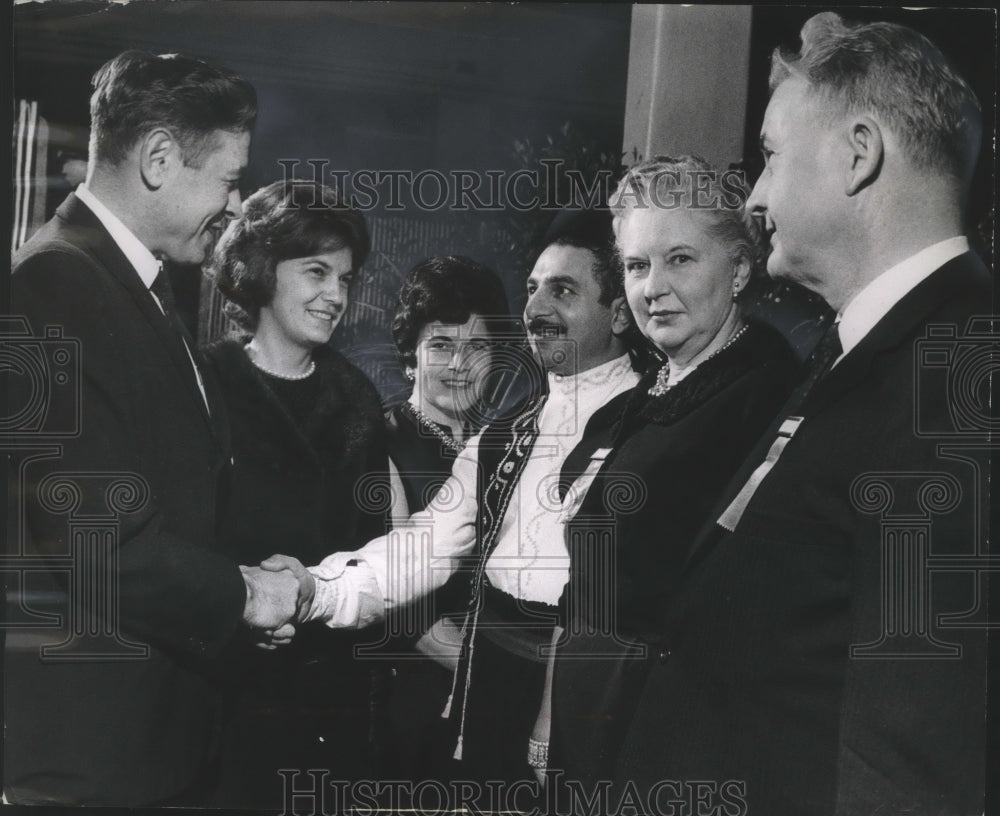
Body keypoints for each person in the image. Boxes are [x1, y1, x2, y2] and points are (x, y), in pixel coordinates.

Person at [613, 14, 989, 815]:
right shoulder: (868, 347)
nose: (754, 197)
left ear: (859, 154)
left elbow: (914, 747)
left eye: (772, 156)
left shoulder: (960, 374)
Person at [5, 50, 298, 807]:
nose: (236, 204)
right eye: (229, 180)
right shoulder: (54, 283)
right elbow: (94, 537)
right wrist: (242, 595)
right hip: (91, 763)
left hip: (147, 748)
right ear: (160, 159)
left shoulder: (129, 281)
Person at [262, 217, 642, 800]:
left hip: (596, 696)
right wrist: (313, 589)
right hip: (488, 691)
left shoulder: (650, 424)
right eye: (533, 288)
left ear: (618, 313)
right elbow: (420, 549)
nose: (536, 308)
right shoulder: (502, 437)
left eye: (562, 290)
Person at [545, 155, 799, 791]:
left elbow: (743, 612)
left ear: (738, 270)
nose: (652, 287)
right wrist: (551, 716)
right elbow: (587, 582)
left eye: (679, 259)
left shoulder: (765, 395)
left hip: (671, 734)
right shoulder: (654, 386)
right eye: (637, 266)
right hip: (592, 710)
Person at [202, 178, 390, 809]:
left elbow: (373, 555)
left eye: (346, 278)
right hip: (219, 693)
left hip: (326, 697)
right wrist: (237, 609)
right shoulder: (207, 383)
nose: (337, 295)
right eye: (317, 272)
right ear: (261, 270)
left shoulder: (358, 399)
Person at [381, 255, 515, 782]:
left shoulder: (502, 446)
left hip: (488, 690)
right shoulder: (381, 444)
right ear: (410, 356)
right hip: (416, 699)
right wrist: (498, 676)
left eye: (477, 346)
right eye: (440, 344)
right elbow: (400, 610)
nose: (460, 363)